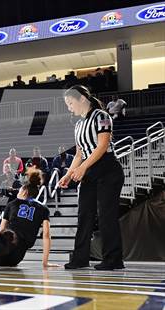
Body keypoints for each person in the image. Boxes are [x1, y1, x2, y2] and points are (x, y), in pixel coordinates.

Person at [59, 85, 125, 270]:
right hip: (89, 170)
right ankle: (80, 259)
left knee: (106, 215)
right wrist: (68, 175)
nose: (69, 107)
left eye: (70, 103)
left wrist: (83, 168)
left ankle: (113, 260)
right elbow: (79, 154)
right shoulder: (78, 125)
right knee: (84, 215)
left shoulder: (102, 116)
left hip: (107, 169)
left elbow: (102, 146)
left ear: (82, 99)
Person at [0, 169, 57, 267]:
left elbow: (1, 230)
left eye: (20, 189)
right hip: (16, 258)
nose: (18, 191)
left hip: (1, 251)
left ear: (25, 191)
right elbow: (46, 235)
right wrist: (45, 262)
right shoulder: (43, 208)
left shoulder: (12, 204)